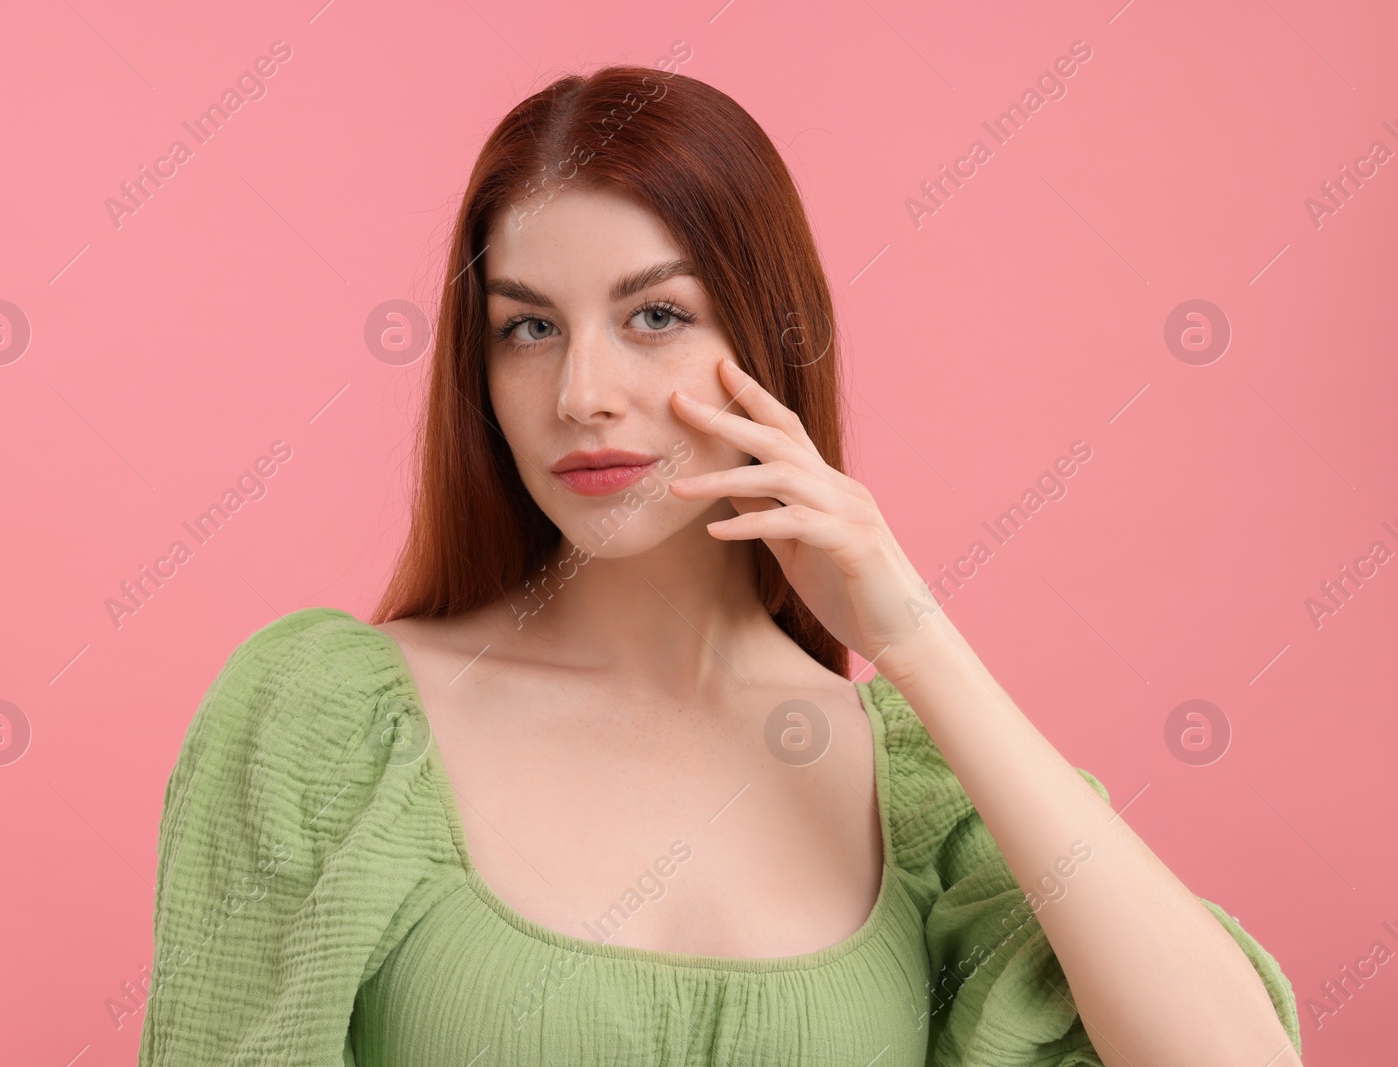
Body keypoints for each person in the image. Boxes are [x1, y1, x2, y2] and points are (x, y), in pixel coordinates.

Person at [138, 64, 1302, 1067]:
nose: (582, 393)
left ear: (769, 335)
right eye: (527, 326)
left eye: (654, 316)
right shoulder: (326, 724)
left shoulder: (904, 783)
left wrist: (914, 639)